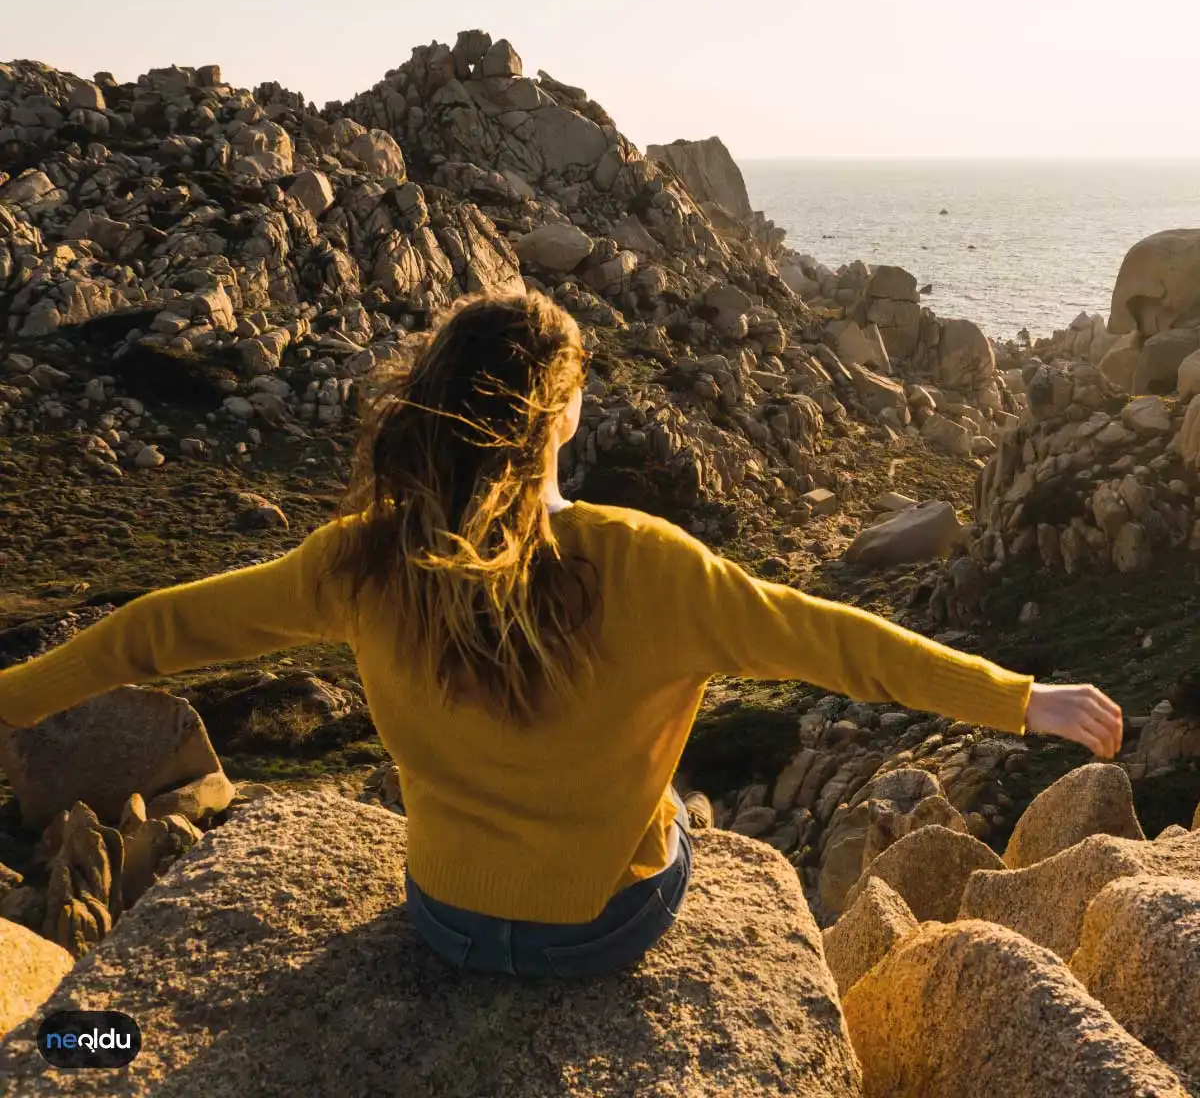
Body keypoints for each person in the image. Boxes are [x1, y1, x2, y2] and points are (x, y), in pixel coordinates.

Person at [0, 290, 1123, 980]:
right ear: (565, 411)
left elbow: (160, 631)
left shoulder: (362, 557)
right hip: (598, 932)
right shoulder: (645, 563)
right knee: (685, 814)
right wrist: (1022, 699)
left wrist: (14, 698)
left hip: (443, 918)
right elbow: (835, 641)